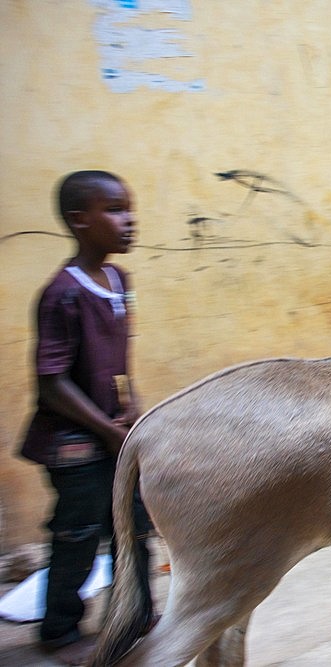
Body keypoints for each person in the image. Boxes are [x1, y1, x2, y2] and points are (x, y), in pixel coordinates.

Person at [19, 170, 154, 665]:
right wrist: (107, 430)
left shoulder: (119, 280)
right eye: (115, 210)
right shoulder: (63, 294)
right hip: (75, 445)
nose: (129, 220)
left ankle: (136, 613)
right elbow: (51, 383)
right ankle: (59, 630)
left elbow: (118, 363)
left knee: (136, 526)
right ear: (80, 221)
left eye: (129, 208)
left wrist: (131, 414)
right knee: (77, 537)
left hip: (114, 433)